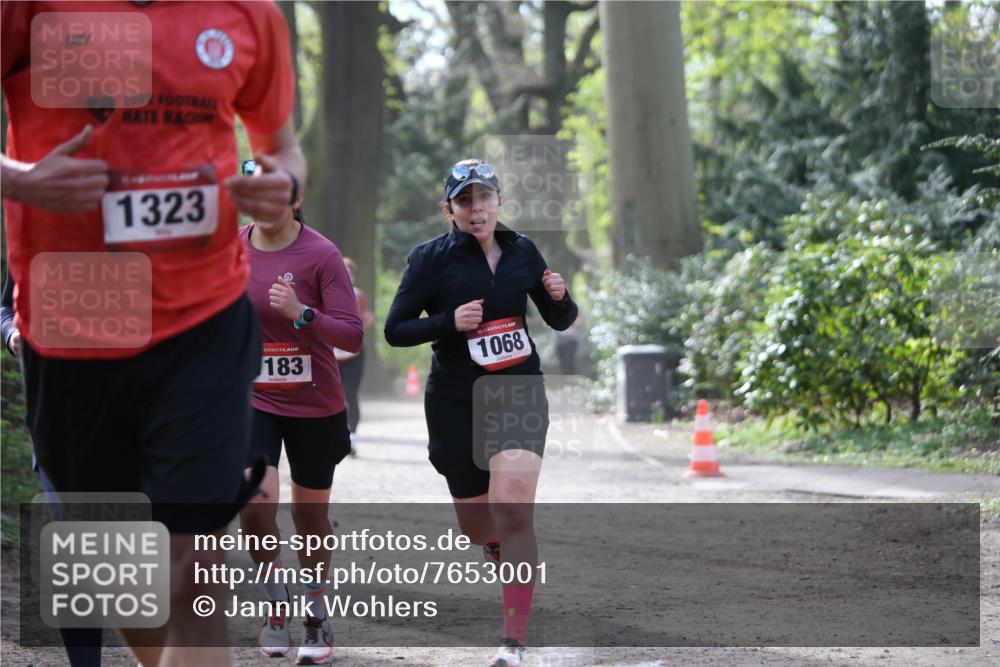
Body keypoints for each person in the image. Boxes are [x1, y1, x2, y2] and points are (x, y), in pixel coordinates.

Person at [1, 3, 304, 665]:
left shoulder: (247, 15)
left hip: (205, 316)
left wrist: (278, 182)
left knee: (194, 566)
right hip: (77, 323)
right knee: (125, 577)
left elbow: (279, 147)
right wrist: (21, 181)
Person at [384, 159, 579, 667]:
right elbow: (396, 328)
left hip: (518, 391)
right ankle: (497, 549)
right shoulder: (430, 259)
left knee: (513, 507)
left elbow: (559, 319)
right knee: (476, 525)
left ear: (499, 202)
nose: (477, 209)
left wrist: (561, 298)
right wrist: (449, 322)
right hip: (454, 400)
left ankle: (513, 641)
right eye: (465, 200)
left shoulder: (522, 250)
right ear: (449, 208)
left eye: (484, 198)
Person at [237, 173, 363, 664]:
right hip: (252, 400)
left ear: (297, 197)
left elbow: (352, 336)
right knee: (254, 507)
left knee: (309, 517)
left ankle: (315, 613)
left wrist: (301, 313)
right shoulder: (231, 250)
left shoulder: (322, 254)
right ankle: (274, 607)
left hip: (315, 403)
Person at [2, 271, 105, 667]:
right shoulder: (32, 242)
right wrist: (12, 334)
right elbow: (6, 309)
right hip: (53, 427)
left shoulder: (133, 234)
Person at [334, 257, 375, 455]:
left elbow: (364, 316)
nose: (346, 275)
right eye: (342, 271)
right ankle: (333, 435)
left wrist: (367, 318)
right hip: (331, 352)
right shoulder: (325, 291)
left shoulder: (359, 295)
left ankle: (353, 438)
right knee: (332, 395)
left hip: (354, 352)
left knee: (351, 393)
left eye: (349, 272)